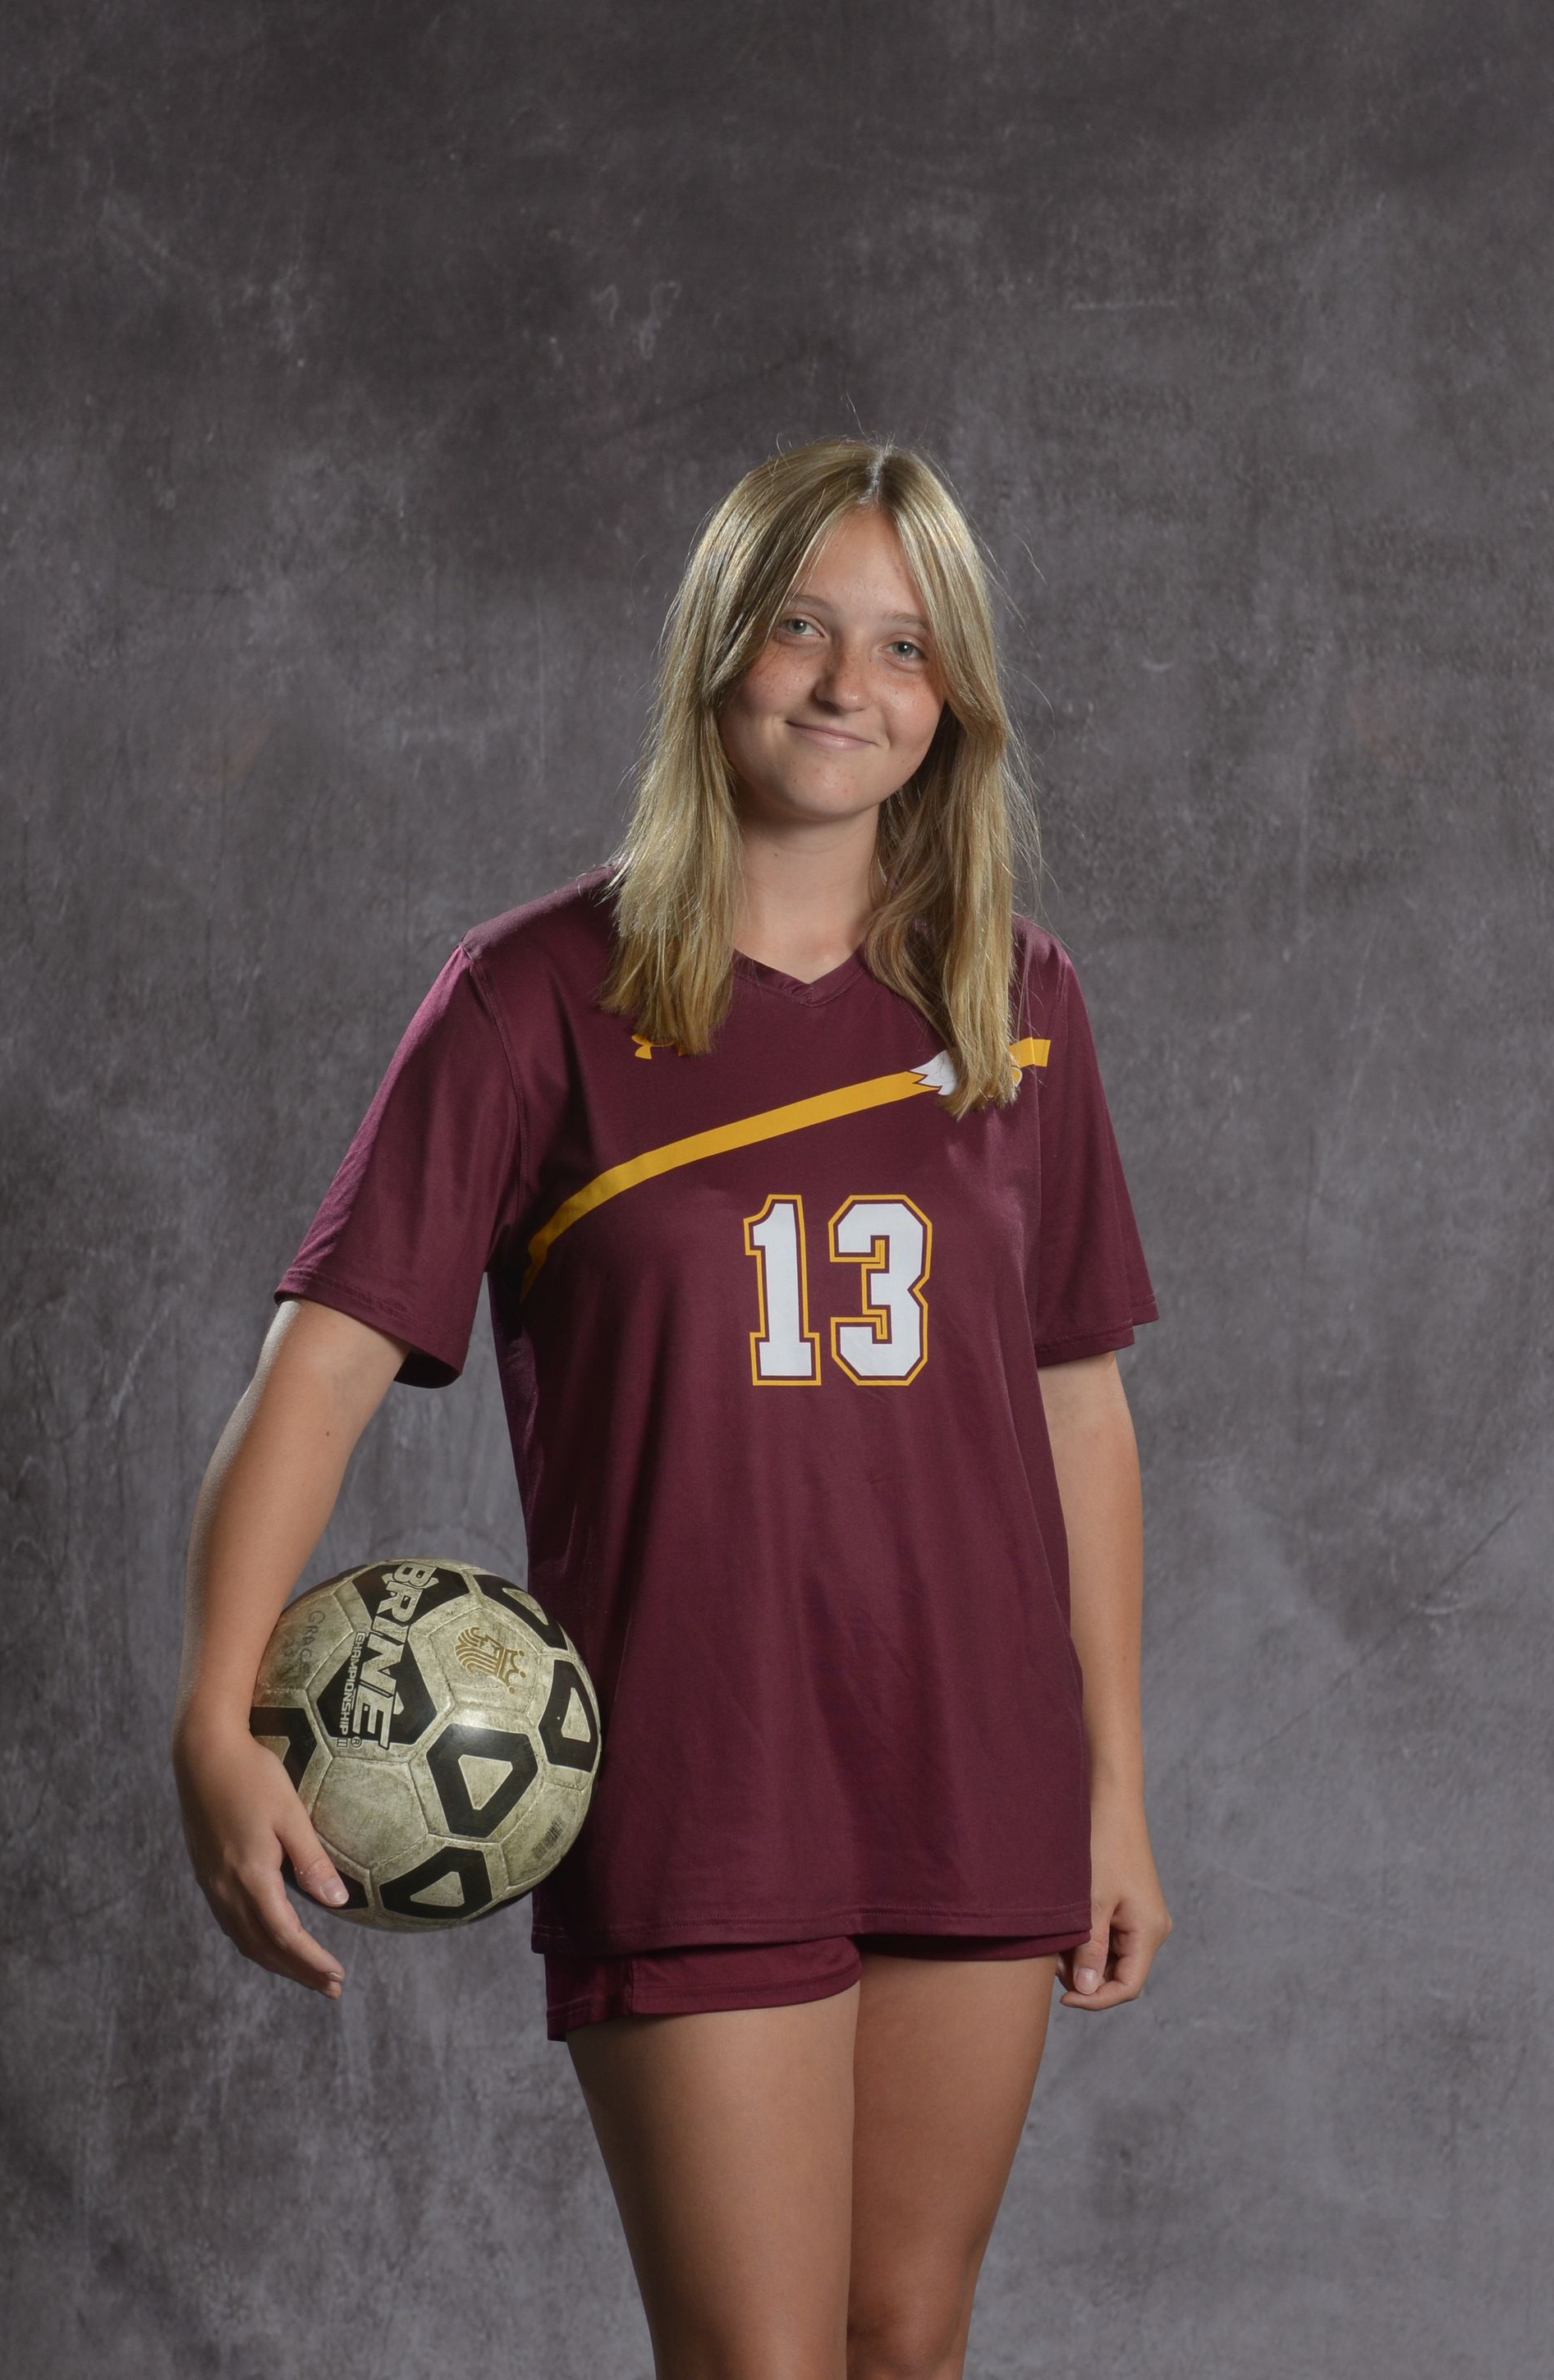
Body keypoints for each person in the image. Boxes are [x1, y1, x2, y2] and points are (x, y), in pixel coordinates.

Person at [172, 434, 1171, 2379]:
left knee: (907, 2341)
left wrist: (1115, 1784)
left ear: (950, 697)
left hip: (975, 1759)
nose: (842, 683)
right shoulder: (533, 995)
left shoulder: (1015, 998)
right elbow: (322, 1362)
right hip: (699, 1772)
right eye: (799, 625)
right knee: (761, 2366)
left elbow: (1079, 1411)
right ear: (717, 646)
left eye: (900, 645)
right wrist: (215, 1709)